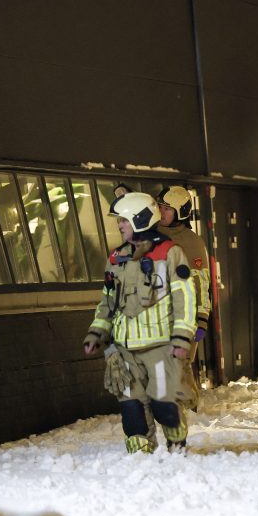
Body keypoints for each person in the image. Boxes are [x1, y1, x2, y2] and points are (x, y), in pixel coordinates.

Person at [82, 192, 197, 453]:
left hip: (160, 349)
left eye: (124, 220)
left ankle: (176, 443)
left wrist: (182, 338)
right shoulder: (116, 258)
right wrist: (96, 333)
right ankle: (141, 458)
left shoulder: (170, 253)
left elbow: (185, 298)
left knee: (164, 406)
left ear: (140, 219)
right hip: (125, 351)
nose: (119, 225)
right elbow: (107, 301)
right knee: (131, 409)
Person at [156, 185, 212, 411]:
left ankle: (189, 411)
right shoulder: (149, 237)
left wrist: (202, 317)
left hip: (184, 316)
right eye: (160, 207)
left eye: (167, 209)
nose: (161, 212)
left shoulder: (192, 242)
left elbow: (202, 282)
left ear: (180, 212)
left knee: (180, 366)